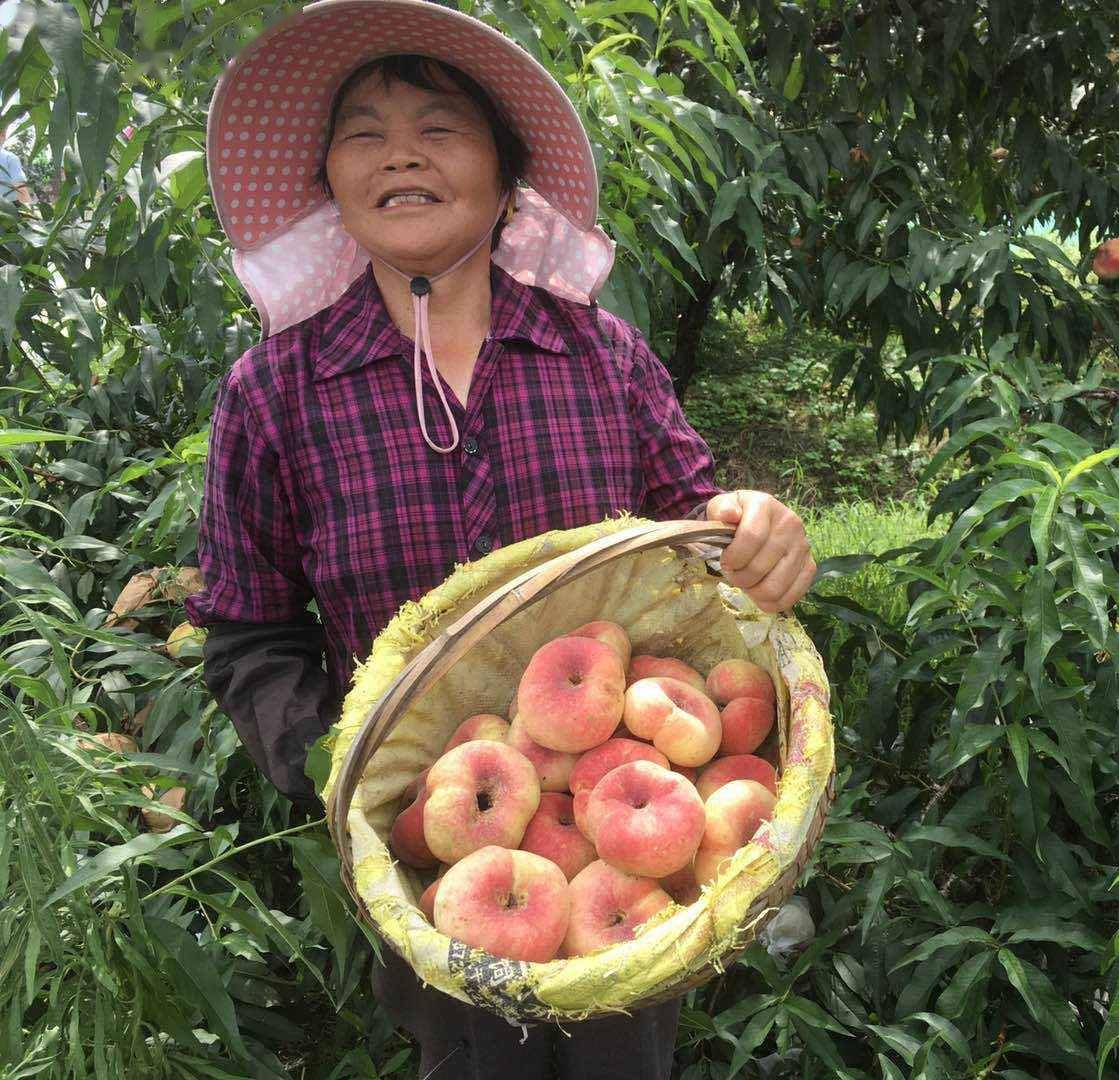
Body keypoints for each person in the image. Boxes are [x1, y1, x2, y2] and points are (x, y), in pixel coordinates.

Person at [183, 2, 817, 1077]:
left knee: (627, 1051)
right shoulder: (276, 395)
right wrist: (343, 775)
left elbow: (699, 554)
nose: (401, 154)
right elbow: (248, 631)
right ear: (330, 183)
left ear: (506, 174)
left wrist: (758, 532)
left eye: (440, 125)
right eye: (365, 133)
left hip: (621, 824)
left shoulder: (599, 356)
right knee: (467, 1054)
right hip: (430, 855)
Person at [0, 128, 33, 205]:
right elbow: (20, 188)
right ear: (3, 134)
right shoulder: (10, 158)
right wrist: (32, 213)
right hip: (6, 209)